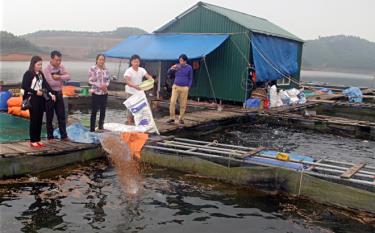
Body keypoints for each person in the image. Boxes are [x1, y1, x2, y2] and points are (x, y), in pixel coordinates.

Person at [21, 56, 56, 148]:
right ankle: (33, 140)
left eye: (41, 64)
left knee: (40, 119)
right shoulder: (28, 74)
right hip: (32, 98)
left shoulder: (40, 74)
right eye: (38, 64)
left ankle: (38, 139)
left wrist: (51, 93)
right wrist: (36, 92)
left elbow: (45, 85)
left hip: (40, 99)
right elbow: (25, 87)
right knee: (34, 119)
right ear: (33, 64)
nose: (40, 66)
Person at [44, 50, 70, 141]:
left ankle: (64, 136)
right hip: (50, 94)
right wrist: (62, 79)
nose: (58, 62)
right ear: (51, 59)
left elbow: (68, 77)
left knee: (61, 116)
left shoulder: (61, 67)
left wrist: (59, 77)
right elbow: (51, 83)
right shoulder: (47, 69)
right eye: (57, 60)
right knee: (49, 117)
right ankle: (50, 137)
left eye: (60, 60)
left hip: (59, 93)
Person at [124, 54, 154, 124]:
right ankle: (129, 123)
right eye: (134, 62)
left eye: (137, 62)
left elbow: (147, 76)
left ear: (139, 62)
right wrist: (135, 86)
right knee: (130, 108)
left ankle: (136, 122)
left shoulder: (142, 69)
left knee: (139, 108)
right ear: (131, 62)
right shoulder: (129, 71)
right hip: (130, 92)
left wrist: (151, 79)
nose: (136, 63)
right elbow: (127, 81)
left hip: (139, 92)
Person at [166, 54, 193, 125]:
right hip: (176, 86)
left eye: (182, 61)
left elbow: (190, 78)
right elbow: (168, 73)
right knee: (172, 102)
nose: (180, 62)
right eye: (180, 60)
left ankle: (181, 119)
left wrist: (188, 87)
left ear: (185, 61)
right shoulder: (177, 66)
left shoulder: (189, 68)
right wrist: (171, 68)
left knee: (183, 104)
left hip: (184, 88)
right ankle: (172, 118)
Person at [88, 54, 110, 132]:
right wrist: (100, 86)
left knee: (103, 111)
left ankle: (101, 126)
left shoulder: (105, 69)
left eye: (103, 60)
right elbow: (90, 80)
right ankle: (92, 129)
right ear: (97, 60)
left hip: (104, 93)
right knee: (94, 111)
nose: (101, 61)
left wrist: (105, 86)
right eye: (100, 59)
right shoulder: (93, 68)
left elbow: (108, 80)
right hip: (96, 92)